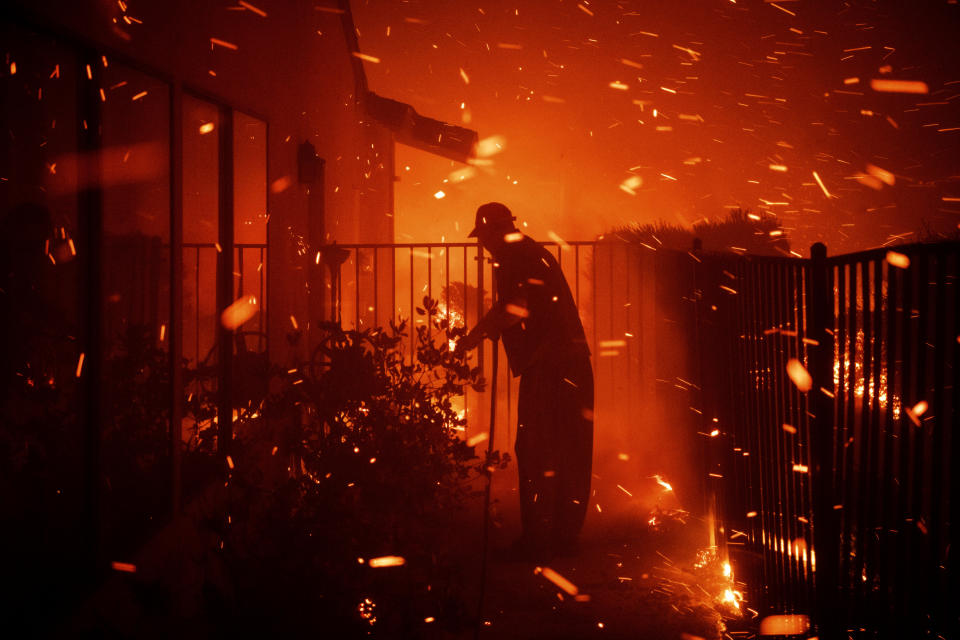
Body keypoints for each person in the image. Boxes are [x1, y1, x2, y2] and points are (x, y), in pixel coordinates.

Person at [456, 202, 594, 560]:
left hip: (548, 365)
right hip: (573, 362)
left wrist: (476, 334)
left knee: (534, 449)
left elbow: (515, 307)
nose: (483, 245)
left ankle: (537, 540)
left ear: (492, 232)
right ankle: (566, 537)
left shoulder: (513, 256)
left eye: (483, 237)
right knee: (571, 450)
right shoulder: (532, 251)